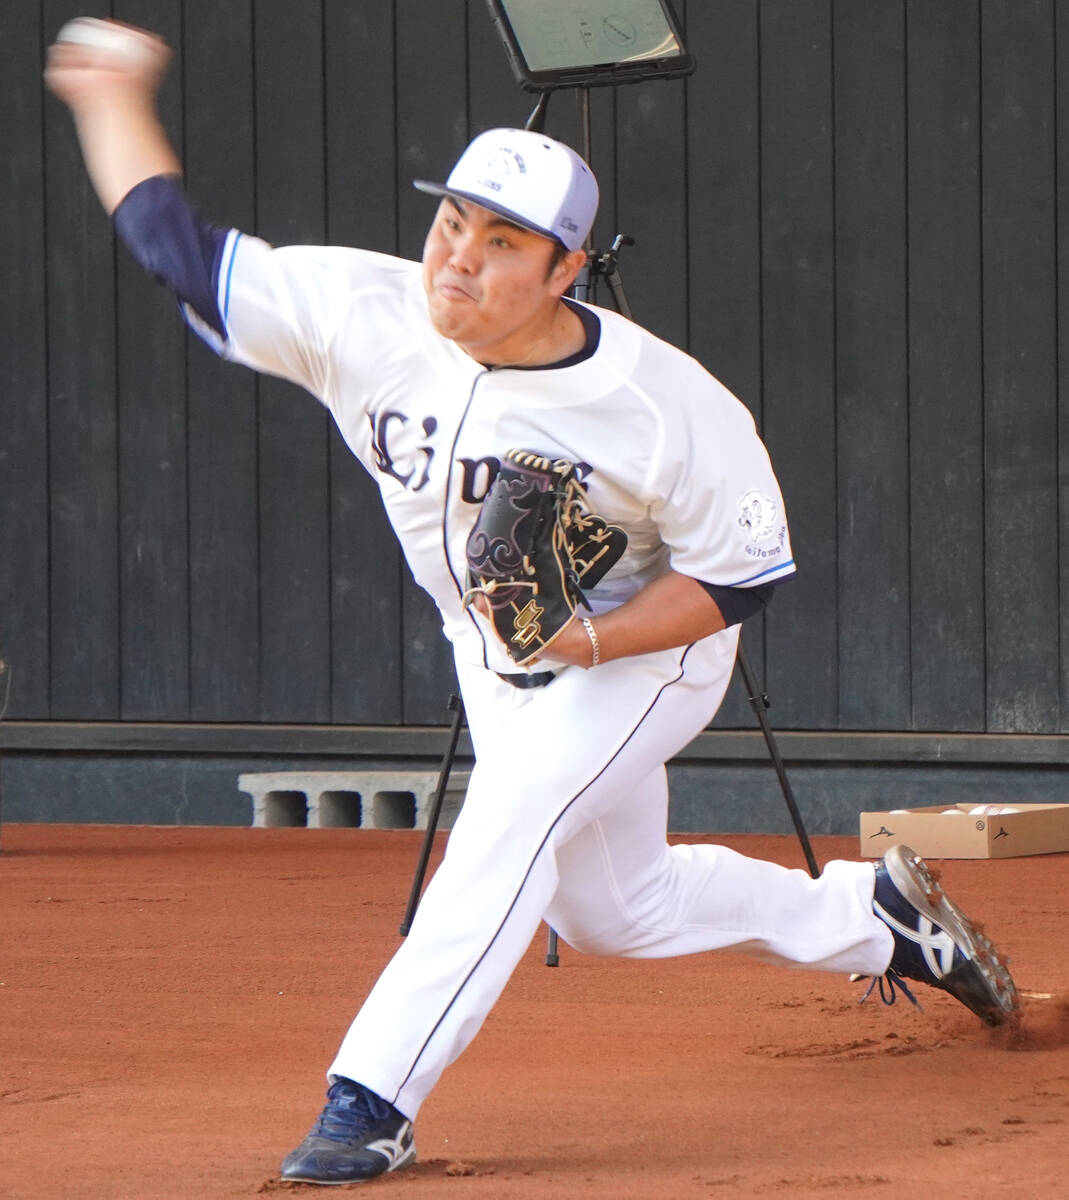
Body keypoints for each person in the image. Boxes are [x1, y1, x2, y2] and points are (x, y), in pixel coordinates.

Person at [46, 20, 1019, 1187]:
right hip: (490, 641)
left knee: (508, 824)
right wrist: (106, 96)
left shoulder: (662, 404)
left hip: (640, 643)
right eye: (453, 220)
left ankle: (371, 1101)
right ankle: (875, 919)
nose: (459, 257)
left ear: (567, 270)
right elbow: (176, 249)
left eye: (504, 242)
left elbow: (734, 580)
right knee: (619, 909)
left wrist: (590, 635)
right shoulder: (362, 310)